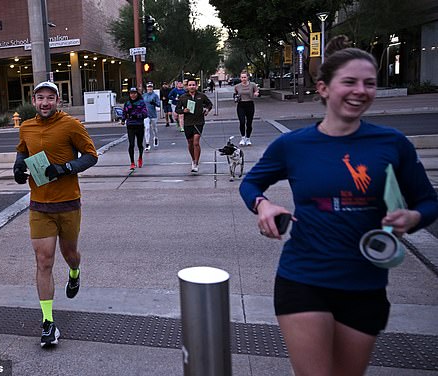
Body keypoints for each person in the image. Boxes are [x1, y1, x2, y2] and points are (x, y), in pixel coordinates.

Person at [239, 36, 438, 376]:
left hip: (365, 284)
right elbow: (250, 183)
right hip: (303, 278)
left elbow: (429, 202)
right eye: (349, 82)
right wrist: (263, 206)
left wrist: (413, 216)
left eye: (369, 83)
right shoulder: (292, 145)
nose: (360, 90)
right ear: (324, 88)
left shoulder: (392, 144)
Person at [13, 81, 98, 348]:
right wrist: (17, 168)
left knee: (69, 254)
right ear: (34, 100)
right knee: (43, 261)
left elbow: (91, 155)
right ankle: (48, 323)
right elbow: (22, 151)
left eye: (50, 98)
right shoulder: (26, 126)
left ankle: (75, 272)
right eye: (40, 98)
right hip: (40, 205)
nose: (45, 102)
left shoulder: (71, 125)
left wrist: (65, 168)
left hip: (68, 203)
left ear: (58, 101)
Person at [175, 78, 213, 174]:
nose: (192, 87)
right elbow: (177, 109)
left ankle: (196, 163)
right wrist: (184, 111)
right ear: (187, 87)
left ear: (196, 86)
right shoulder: (183, 97)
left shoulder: (201, 96)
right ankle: (193, 159)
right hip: (188, 123)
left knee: (196, 142)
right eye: (190, 85)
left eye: (193, 85)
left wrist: (207, 110)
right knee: (190, 142)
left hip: (199, 122)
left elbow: (209, 104)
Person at [121, 87, 148, 169]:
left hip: (139, 125)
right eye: (131, 93)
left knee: (140, 144)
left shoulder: (141, 102)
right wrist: (123, 119)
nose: (133, 95)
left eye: (134, 93)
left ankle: (140, 157)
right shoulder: (127, 103)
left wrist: (136, 115)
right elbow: (124, 112)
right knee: (131, 144)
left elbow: (145, 114)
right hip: (130, 126)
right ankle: (132, 162)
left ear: (137, 94)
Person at [234, 70, 259, 146]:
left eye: (245, 77)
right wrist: (236, 98)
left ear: (248, 77)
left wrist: (256, 93)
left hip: (250, 104)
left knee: (249, 123)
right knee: (242, 122)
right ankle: (243, 137)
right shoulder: (237, 86)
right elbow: (235, 94)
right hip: (241, 105)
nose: (243, 79)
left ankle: (248, 138)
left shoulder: (252, 85)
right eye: (242, 77)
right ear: (240, 78)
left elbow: (257, 91)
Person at [142, 82, 161, 150]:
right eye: (148, 87)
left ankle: (155, 137)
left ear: (152, 88)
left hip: (153, 115)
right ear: (146, 88)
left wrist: (154, 103)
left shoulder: (155, 95)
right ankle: (147, 143)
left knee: (154, 128)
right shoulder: (144, 95)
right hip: (146, 115)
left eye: (151, 87)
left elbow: (159, 104)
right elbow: (141, 104)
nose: (149, 88)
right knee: (147, 128)